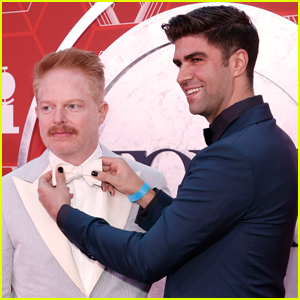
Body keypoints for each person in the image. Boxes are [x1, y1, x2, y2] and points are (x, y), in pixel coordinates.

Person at [38, 5, 298, 298]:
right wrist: (141, 191)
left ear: (238, 62)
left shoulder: (234, 154)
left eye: (196, 60)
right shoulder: (269, 138)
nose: (182, 76)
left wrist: (63, 212)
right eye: (179, 64)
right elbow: (201, 229)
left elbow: (145, 258)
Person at [2, 48, 170, 298]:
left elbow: (173, 275)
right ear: (36, 113)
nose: (58, 118)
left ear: (101, 112)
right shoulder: (8, 190)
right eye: (47, 107)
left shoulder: (147, 183)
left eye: (72, 106)